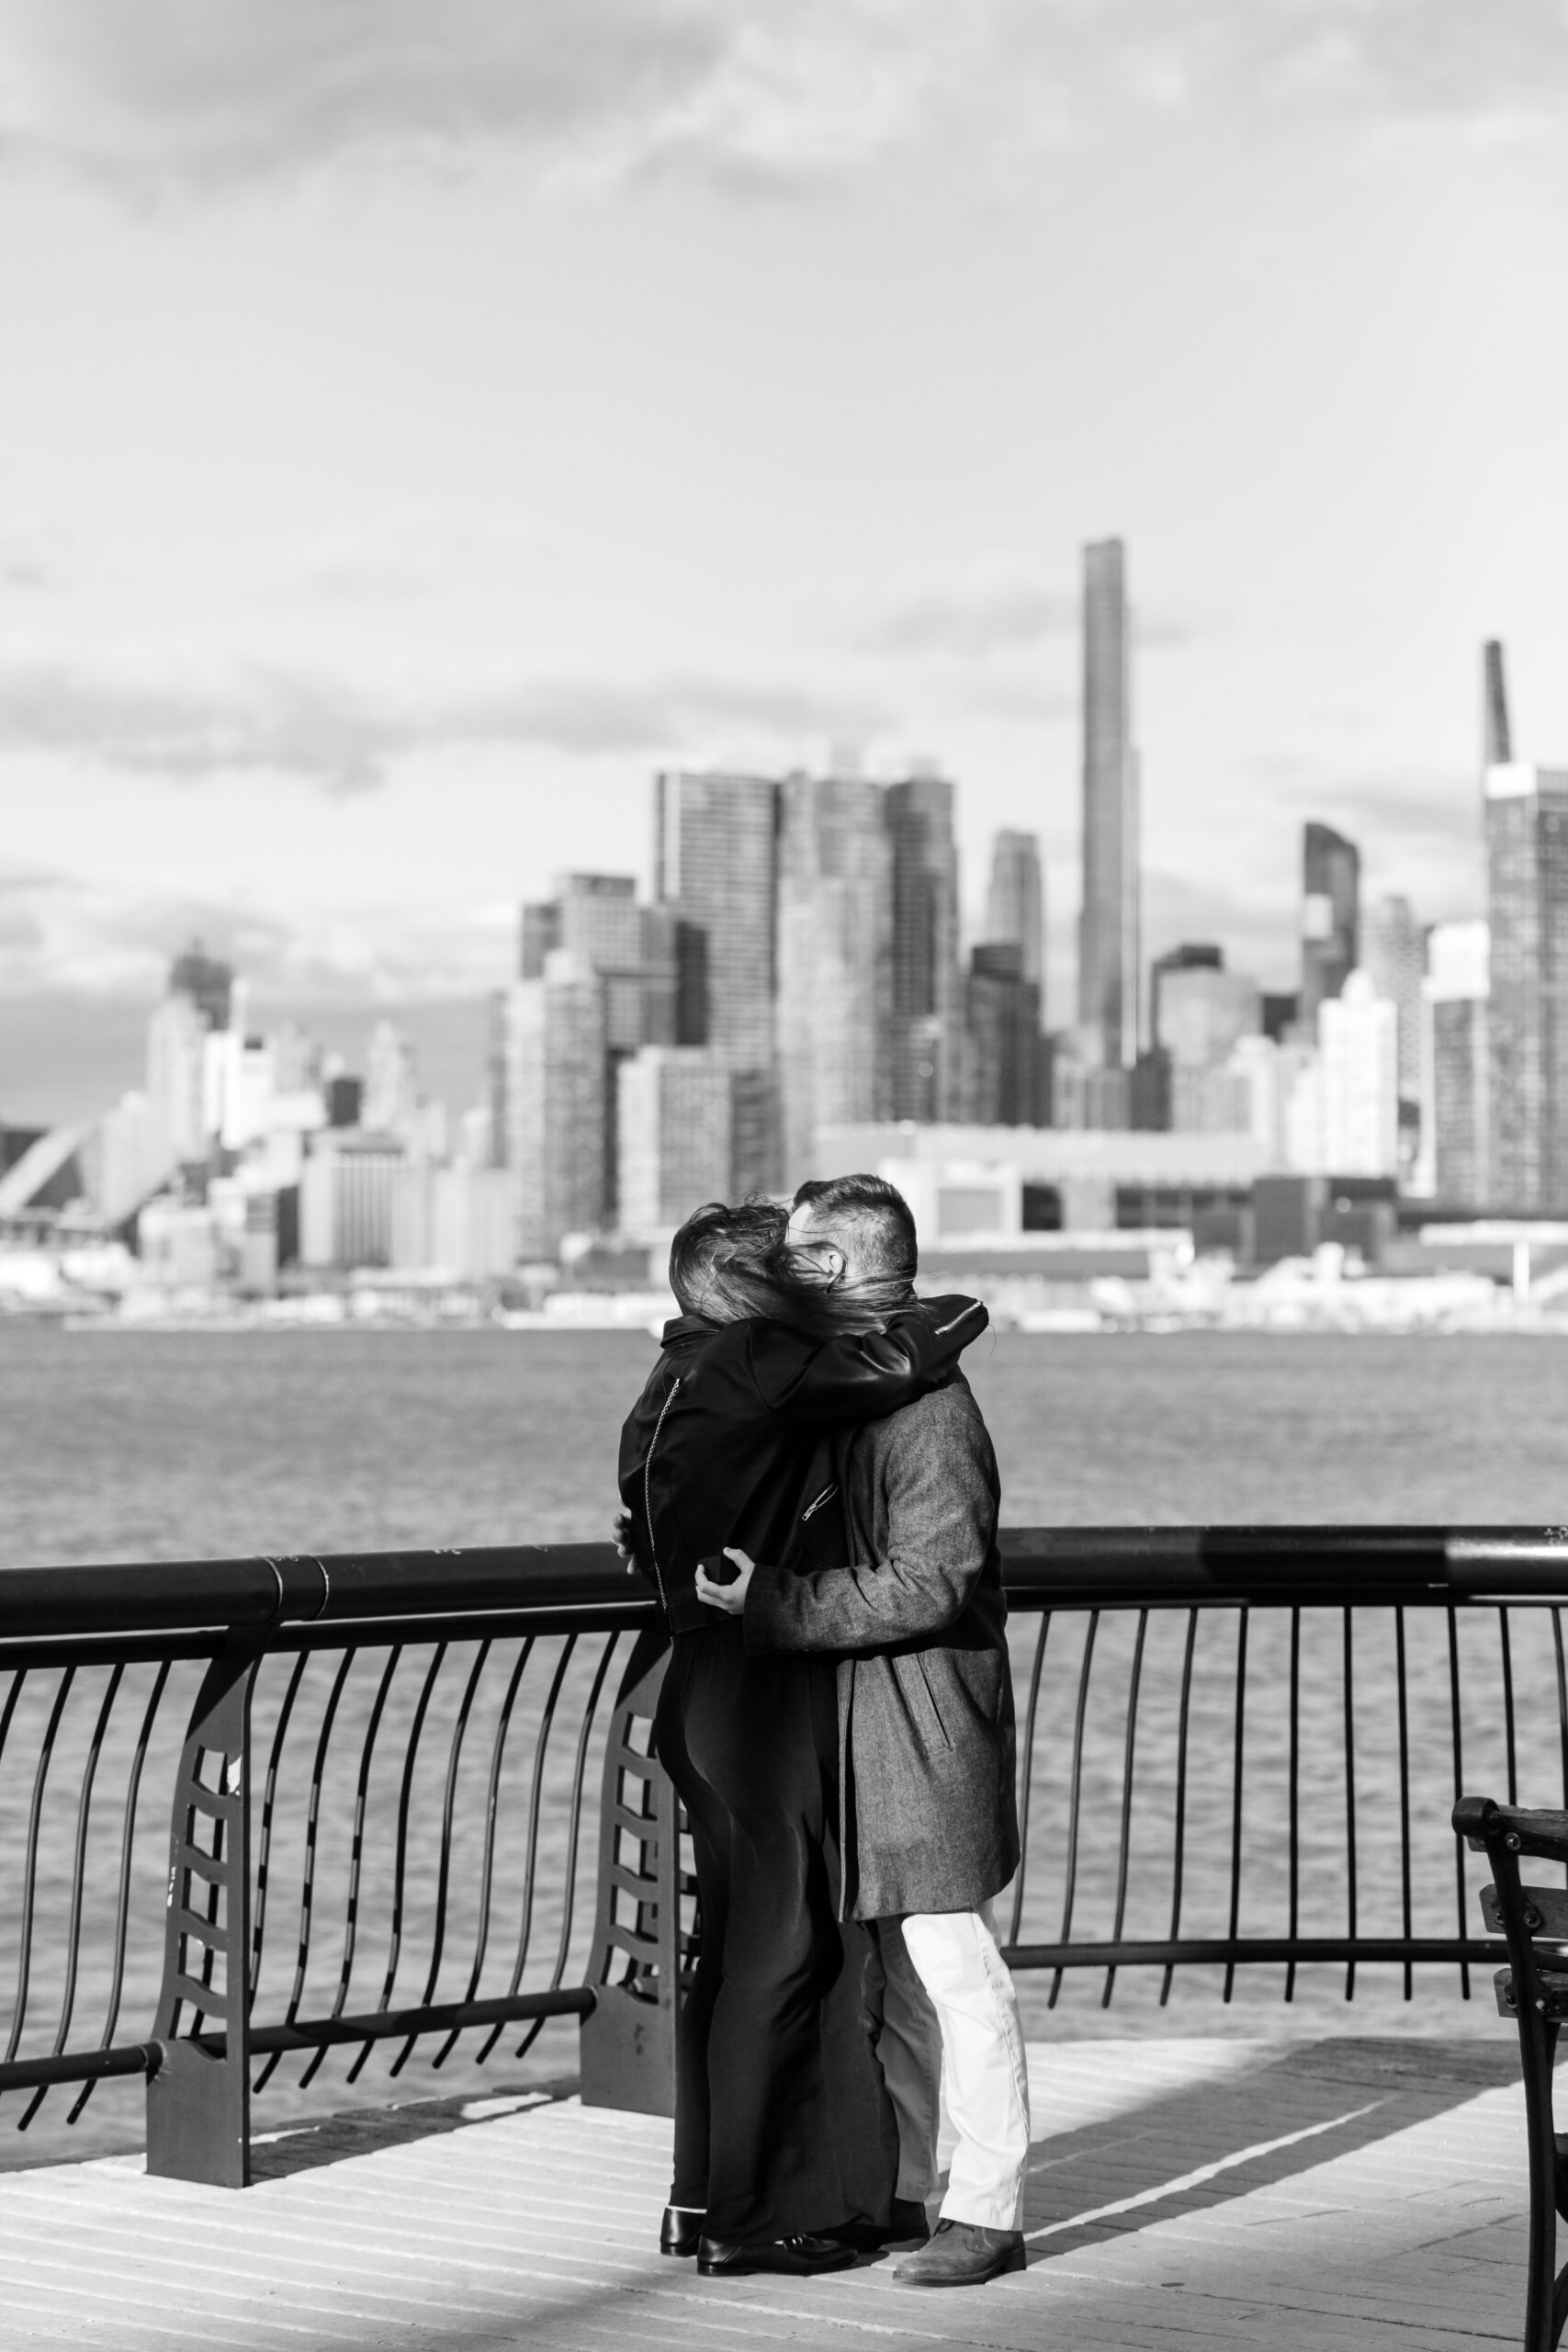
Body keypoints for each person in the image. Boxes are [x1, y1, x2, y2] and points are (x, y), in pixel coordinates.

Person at [618, 1197, 987, 2279]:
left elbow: (645, 1524)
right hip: (763, 1694)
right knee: (782, 1954)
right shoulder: (758, 1361)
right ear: (760, 1286)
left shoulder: (679, 1371)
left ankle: (702, 2197)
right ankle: (756, 2216)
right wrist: (963, 1310)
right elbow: (914, 1344)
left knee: (731, 1953)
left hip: (702, 1691)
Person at [696, 1171, 1029, 2290]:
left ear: (834, 1267)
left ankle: (986, 2210)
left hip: (923, 1731)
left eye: (795, 1258)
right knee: (894, 1975)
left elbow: (933, 1581)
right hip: (868, 1726)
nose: (780, 1277)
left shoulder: (931, 1412)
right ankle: (911, 2194)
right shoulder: (869, 1391)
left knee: (955, 1966)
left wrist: (773, 1604)